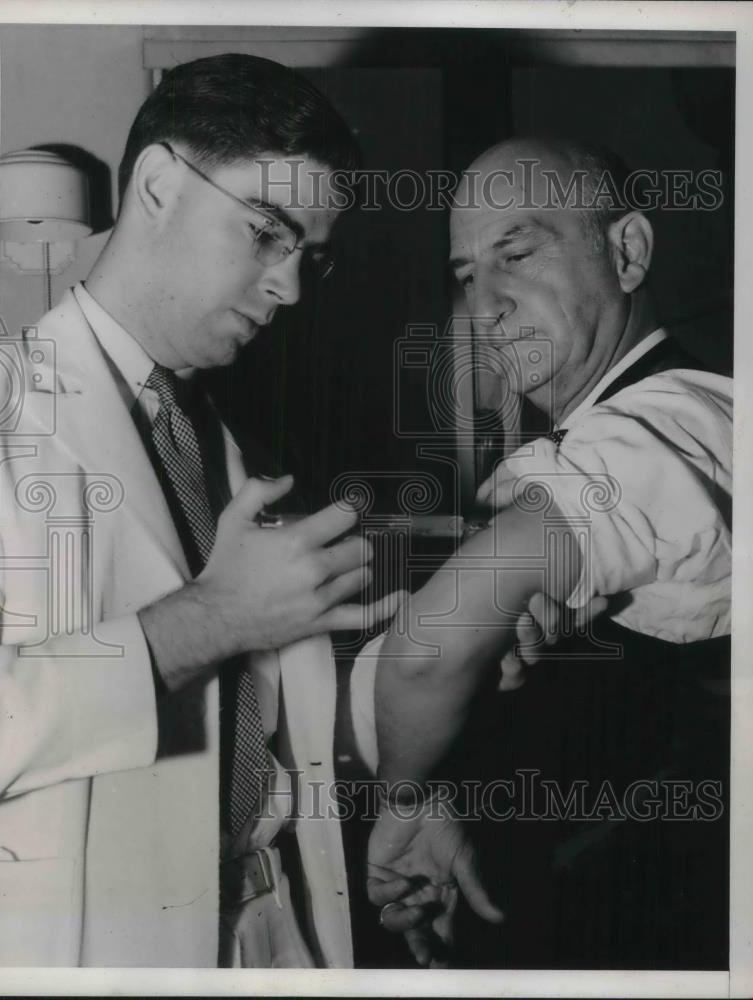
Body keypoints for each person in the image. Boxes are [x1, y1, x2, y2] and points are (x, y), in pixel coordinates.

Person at [0, 53, 419, 970]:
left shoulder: (243, 460)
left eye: (311, 254)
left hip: (273, 929)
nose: (291, 288)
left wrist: (438, 652)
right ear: (156, 185)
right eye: (267, 232)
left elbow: (279, 729)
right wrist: (207, 620)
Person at [358, 137, 732, 968]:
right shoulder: (585, 446)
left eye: (516, 254)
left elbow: (426, 652)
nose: (482, 305)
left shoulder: (676, 425)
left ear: (626, 251)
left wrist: (403, 802)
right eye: (464, 275)